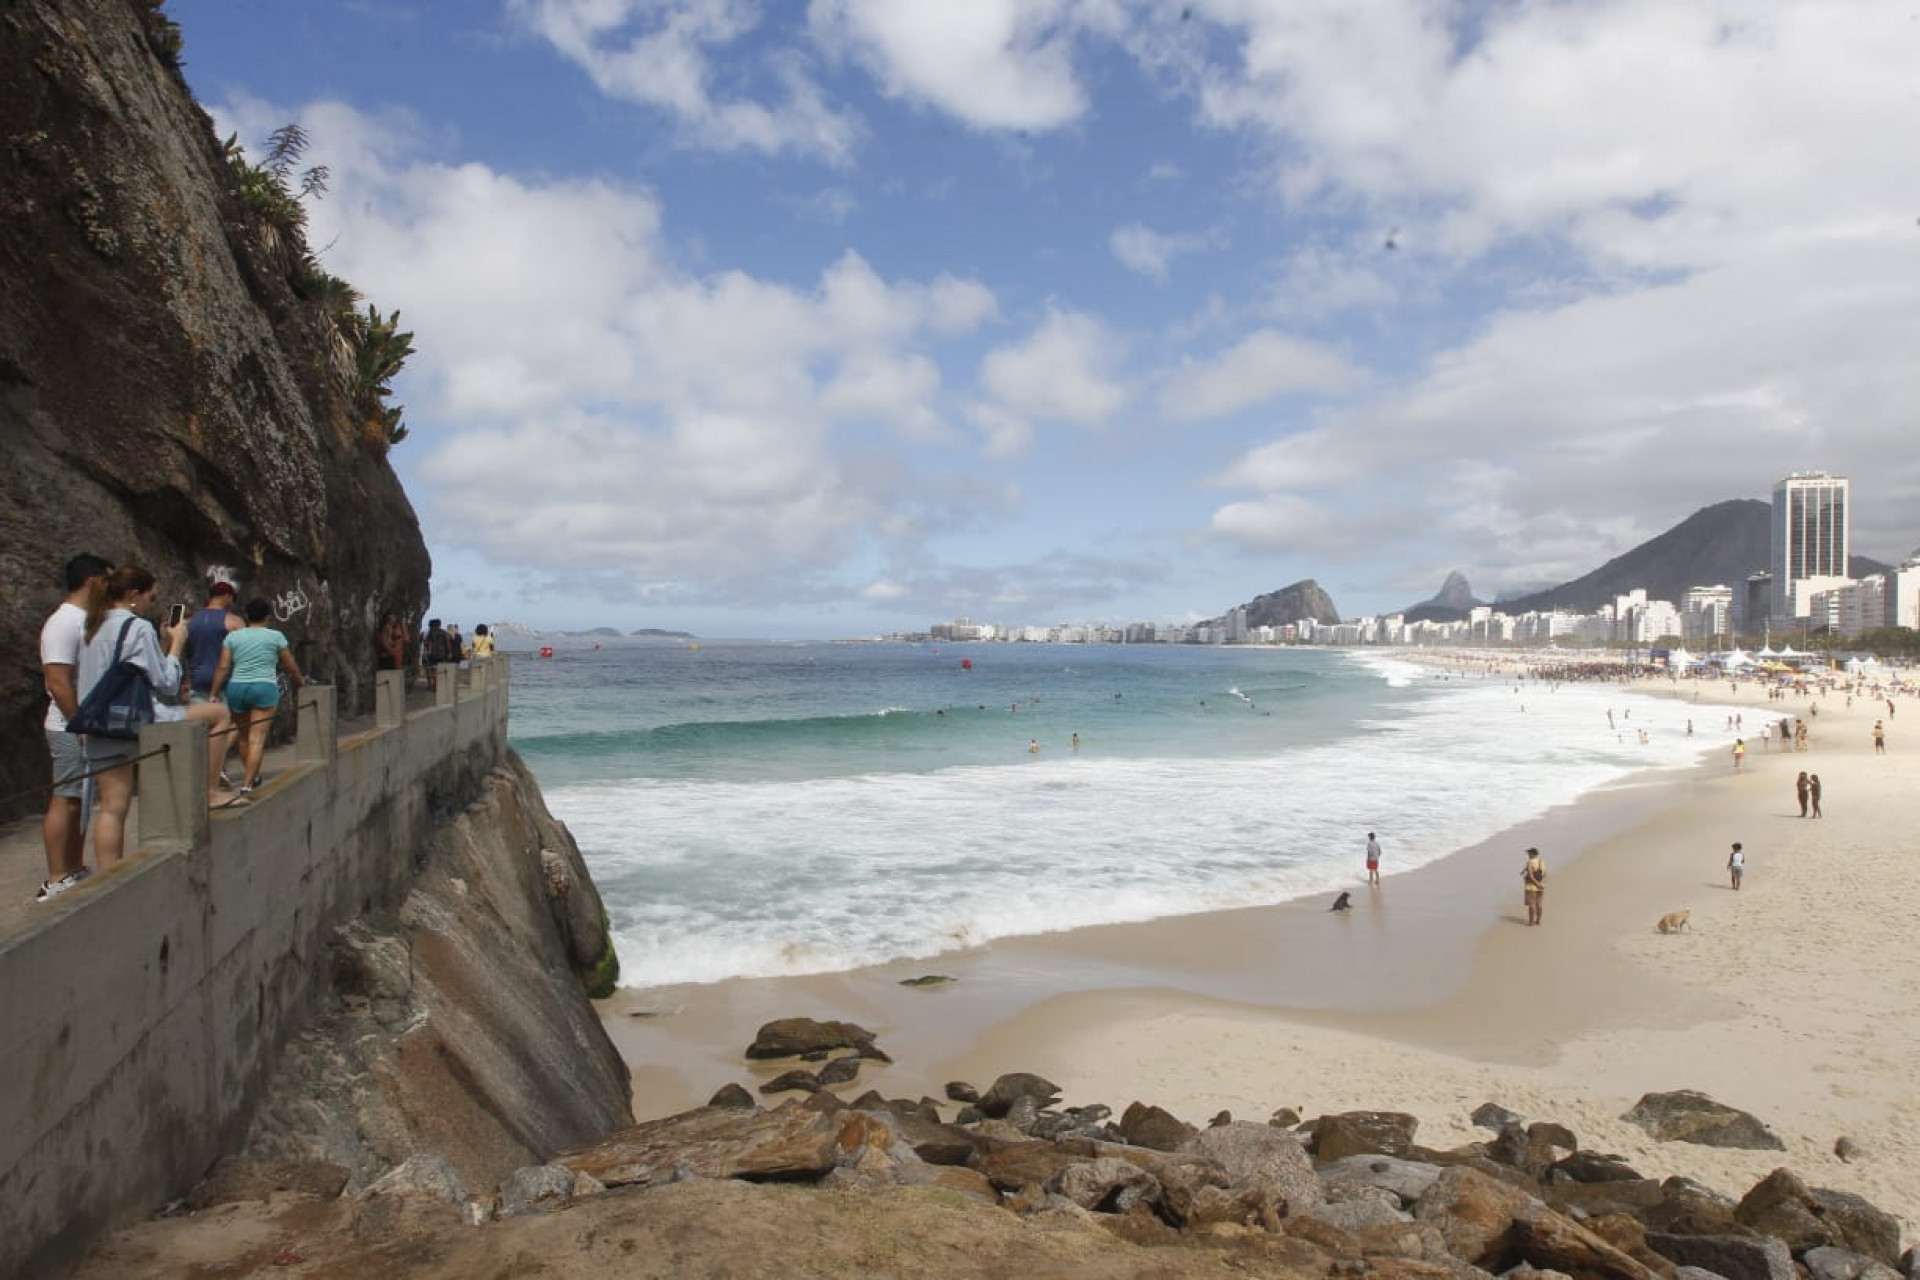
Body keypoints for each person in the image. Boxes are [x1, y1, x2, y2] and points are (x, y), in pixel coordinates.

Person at [78, 567, 247, 872]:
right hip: (139, 717)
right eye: (151, 597)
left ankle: (109, 878)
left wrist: (162, 645)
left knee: (112, 808)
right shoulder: (137, 626)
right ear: (134, 595)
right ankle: (209, 791)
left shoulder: (91, 625)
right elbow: (166, 683)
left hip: (100, 722)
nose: (150, 603)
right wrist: (177, 644)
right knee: (219, 715)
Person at [37, 553, 113, 902]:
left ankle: (74, 867)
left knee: (81, 799)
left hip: (86, 724)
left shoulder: (87, 620)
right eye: (107, 579)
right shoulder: (63, 622)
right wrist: (80, 723)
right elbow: (58, 680)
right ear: (92, 580)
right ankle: (56, 877)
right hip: (68, 726)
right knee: (66, 799)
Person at [209, 599, 305, 793]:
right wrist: (300, 682)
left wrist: (213, 692)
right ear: (268, 617)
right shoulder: (275, 637)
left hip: (237, 687)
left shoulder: (233, 637)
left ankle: (253, 776)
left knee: (243, 737)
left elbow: (223, 666)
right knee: (257, 739)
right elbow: (290, 665)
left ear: (246, 616)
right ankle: (247, 784)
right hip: (264, 687)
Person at [182, 581, 241, 701]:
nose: (232, 603)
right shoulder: (234, 622)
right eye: (232, 599)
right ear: (227, 596)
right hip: (224, 685)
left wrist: (185, 681)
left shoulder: (190, 621)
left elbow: (184, 653)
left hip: (196, 682)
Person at [422, 618, 452, 691]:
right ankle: (436, 685)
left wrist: (426, 647)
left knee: (432, 670)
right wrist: (449, 653)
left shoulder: (430, 633)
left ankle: (433, 685)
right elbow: (447, 644)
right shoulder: (444, 633)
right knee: (439, 670)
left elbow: (426, 643)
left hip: (432, 655)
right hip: (442, 654)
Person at [1521, 847, 1546, 926]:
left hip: (1531, 886)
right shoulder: (1541, 862)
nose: (1528, 855)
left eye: (1528, 853)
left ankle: (1531, 922)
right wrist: (1540, 884)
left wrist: (1536, 884)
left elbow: (1531, 876)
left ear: (1532, 854)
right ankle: (1538, 920)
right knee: (1539, 904)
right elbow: (1545, 874)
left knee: (1532, 904)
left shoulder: (1529, 862)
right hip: (1541, 885)